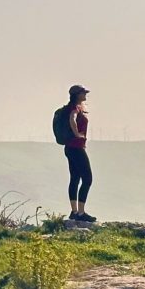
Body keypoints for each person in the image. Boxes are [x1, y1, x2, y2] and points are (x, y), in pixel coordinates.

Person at [62, 84, 96, 222]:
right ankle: (81, 213)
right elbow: (72, 119)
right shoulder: (75, 108)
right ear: (77, 95)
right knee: (87, 179)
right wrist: (78, 134)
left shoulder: (71, 107)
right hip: (76, 148)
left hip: (69, 148)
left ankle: (74, 211)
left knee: (75, 178)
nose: (85, 95)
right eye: (83, 93)